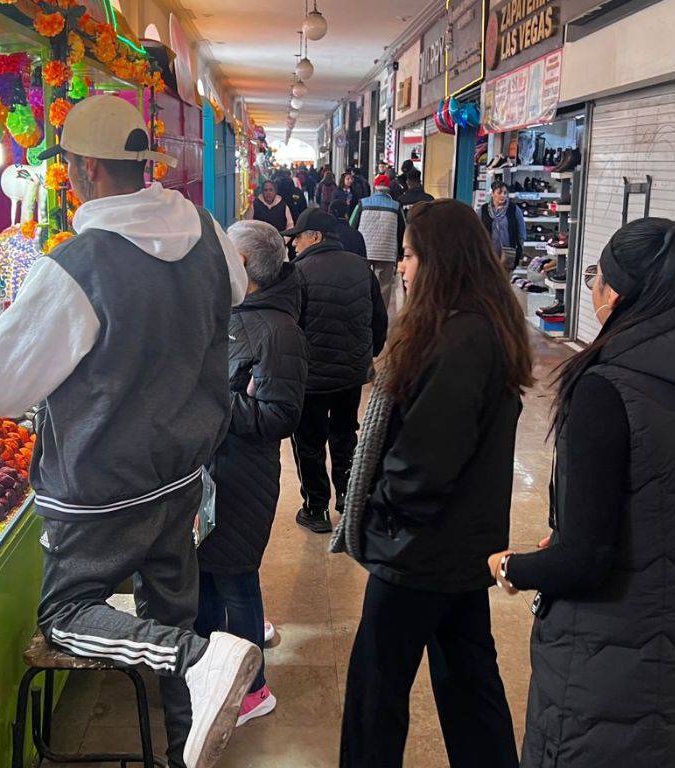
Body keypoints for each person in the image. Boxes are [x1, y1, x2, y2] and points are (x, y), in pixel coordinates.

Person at [0, 95, 258, 768]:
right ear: (142, 165)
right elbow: (232, 291)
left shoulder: (75, 268)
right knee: (166, 606)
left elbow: (0, 384)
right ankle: (180, 745)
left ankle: (197, 658)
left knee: (67, 615)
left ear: (83, 168)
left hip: (101, 487)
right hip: (179, 473)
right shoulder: (205, 230)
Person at [489, 218, 675, 768]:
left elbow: (586, 560)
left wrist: (511, 567)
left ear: (614, 292)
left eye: (595, 276)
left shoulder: (606, 387)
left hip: (613, 669)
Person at [340, 200, 531, 768]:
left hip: (421, 548)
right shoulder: (481, 324)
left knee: (377, 690)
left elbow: (426, 459)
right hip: (462, 544)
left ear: (438, 261)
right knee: (469, 681)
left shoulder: (459, 339)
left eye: (408, 255)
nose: (401, 267)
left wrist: (381, 509)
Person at [195, 221, 309, 724]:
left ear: (242, 266)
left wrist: (211, 399)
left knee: (236, 580)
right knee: (208, 577)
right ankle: (207, 670)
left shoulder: (280, 331)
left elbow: (278, 417)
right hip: (214, 471)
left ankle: (252, 691)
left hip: (242, 476)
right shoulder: (239, 314)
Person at [284, 207, 387, 533]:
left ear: (314, 236)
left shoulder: (296, 273)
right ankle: (347, 498)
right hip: (350, 375)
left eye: (297, 238)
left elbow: (286, 328)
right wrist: (364, 356)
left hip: (310, 378)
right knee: (345, 434)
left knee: (308, 441)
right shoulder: (360, 266)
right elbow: (379, 321)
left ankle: (315, 509)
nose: (293, 245)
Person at [350, 182, 405, 317]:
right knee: (384, 286)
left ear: (375, 188)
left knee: (364, 281)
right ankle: (381, 316)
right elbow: (402, 231)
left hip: (365, 251)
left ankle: (364, 312)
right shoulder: (396, 206)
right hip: (387, 251)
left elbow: (352, 224)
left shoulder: (363, 203)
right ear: (388, 190)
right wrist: (401, 253)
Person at [479, 180, 525, 270]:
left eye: (505, 193)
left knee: (504, 279)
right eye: (499, 193)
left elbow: (521, 232)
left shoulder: (514, 209)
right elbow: (476, 230)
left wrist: (519, 250)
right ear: (492, 194)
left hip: (508, 254)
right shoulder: (483, 210)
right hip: (488, 253)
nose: (503, 195)